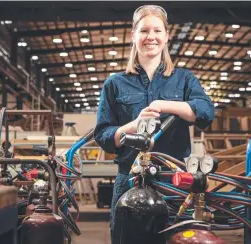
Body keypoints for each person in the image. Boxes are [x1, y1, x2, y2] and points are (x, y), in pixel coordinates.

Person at [94, 4, 215, 243]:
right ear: (133, 36)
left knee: (177, 239)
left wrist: (164, 104)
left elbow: (205, 113)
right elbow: (103, 135)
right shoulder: (115, 84)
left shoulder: (184, 79)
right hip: (129, 181)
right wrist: (133, 125)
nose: (151, 37)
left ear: (166, 36)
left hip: (175, 181)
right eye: (144, 31)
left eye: (157, 31)